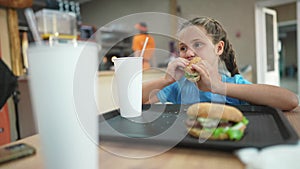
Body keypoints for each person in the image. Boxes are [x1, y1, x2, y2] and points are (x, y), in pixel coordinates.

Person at [142, 16, 298, 111]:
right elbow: (134, 101)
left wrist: (218, 87)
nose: (189, 53)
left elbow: (290, 101)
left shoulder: (234, 84)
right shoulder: (178, 86)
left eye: (197, 44)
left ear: (218, 48)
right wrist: (166, 80)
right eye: (183, 48)